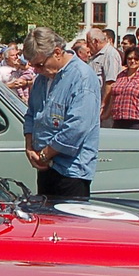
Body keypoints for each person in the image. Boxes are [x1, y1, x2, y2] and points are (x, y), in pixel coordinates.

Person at [21, 26, 101, 200]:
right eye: (33, 65)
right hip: (45, 167)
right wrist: (29, 147)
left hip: (71, 172)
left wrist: (45, 154)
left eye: (39, 64)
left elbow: (77, 127)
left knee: (69, 225)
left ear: (57, 52)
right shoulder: (42, 79)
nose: (36, 70)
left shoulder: (82, 77)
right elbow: (32, 114)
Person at [105, 47, 139, 128]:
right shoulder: (120, 75)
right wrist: (106, 114)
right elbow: (113, 96)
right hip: (117, 119)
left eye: (136, 59)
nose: (132, 61)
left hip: (135, 120)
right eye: (130, 58)